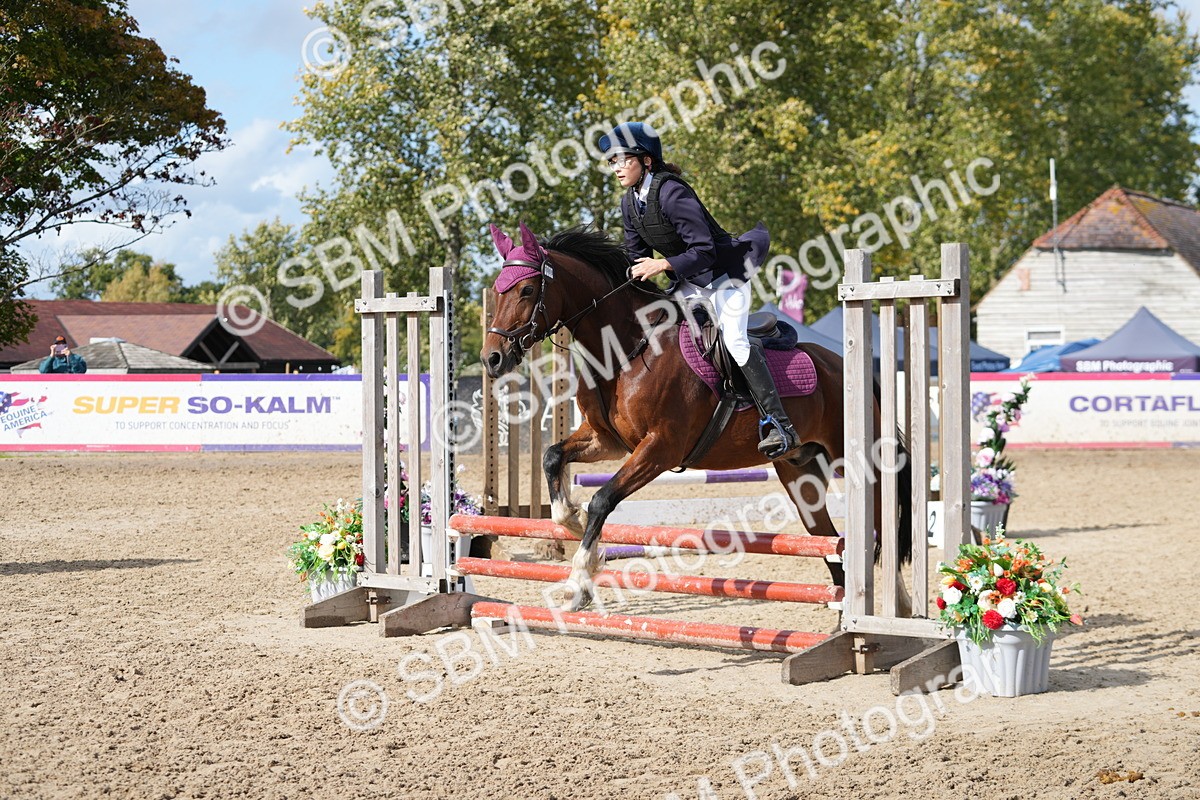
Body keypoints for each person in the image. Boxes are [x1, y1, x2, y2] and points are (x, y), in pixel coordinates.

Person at [598, 121, 802, 460]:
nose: (617, 167)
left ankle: (779, 424)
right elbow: (637, 258)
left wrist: (662, 265)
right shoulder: (629, 203)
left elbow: (704, 250)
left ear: (646, 161)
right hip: (688, 284)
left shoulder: (673, 192)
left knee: (735, 342)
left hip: (725, 278)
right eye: (613, 162)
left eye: (623, 159)